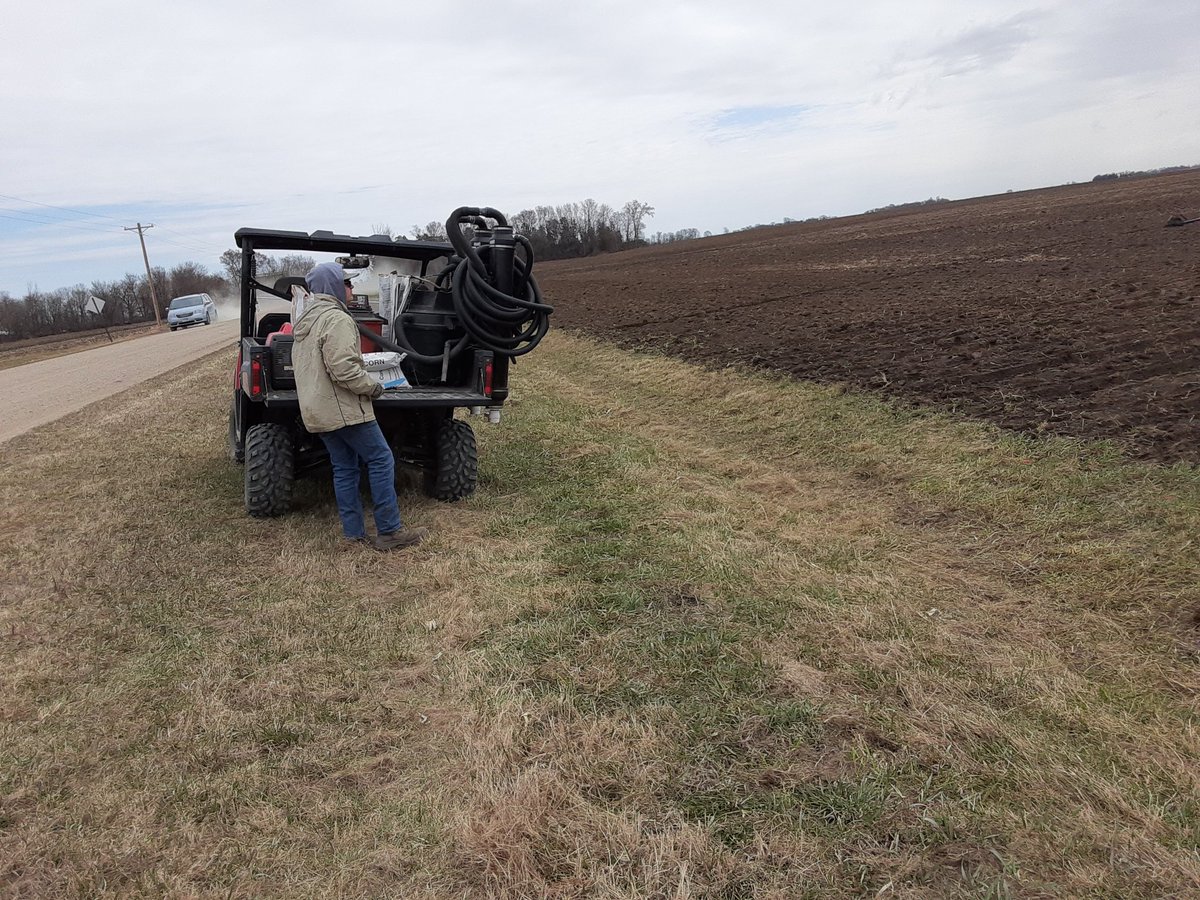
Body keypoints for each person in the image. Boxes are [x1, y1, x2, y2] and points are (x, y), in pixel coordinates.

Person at [291, 261, 426, 551]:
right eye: (347, 282)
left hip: (319, 410)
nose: (351, 287)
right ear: (334, 287)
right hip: (344, 410)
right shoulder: (336, 319)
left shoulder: (307, 320)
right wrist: (374, 387)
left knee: (344, 468)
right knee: (380, 459)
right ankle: (389, 532)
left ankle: (353, 534)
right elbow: (344, 370)